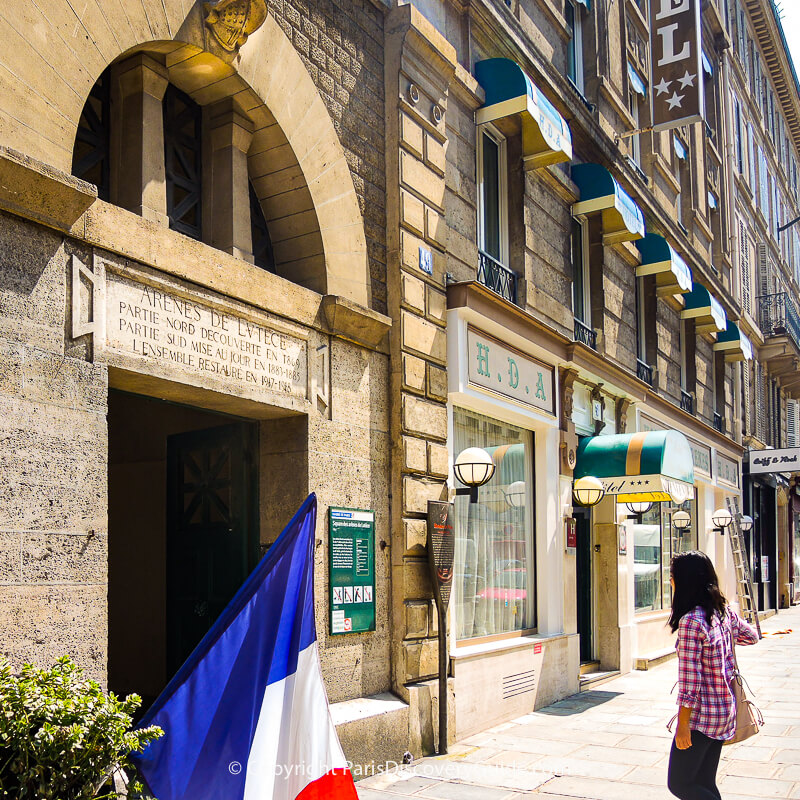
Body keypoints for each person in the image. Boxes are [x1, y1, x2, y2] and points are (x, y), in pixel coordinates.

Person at [667, 550, 759, 800]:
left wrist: (683, 725)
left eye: (673, 576)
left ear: (685, 581)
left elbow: (690, 683)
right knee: (703, 782)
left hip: (700, 718)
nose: (670, 581)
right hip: (724, 712)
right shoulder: (722, 613)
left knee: (680, 784)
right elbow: (752, 636)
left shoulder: (691, 622)